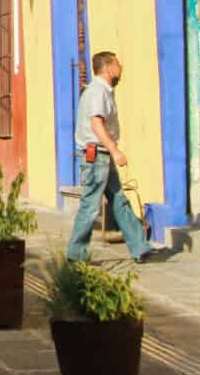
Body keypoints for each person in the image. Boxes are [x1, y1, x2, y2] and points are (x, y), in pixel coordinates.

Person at [67, 50, 171, 264]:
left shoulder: (102, 91)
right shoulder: (98, 92)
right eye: (117, 63)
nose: (121, 67)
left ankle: (140, 247)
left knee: (119, 201)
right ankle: (76, 253)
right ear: (107, 68)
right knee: (91, 205)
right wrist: (115, 151)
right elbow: (97, 124)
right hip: (97, 156)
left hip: (101, 155)